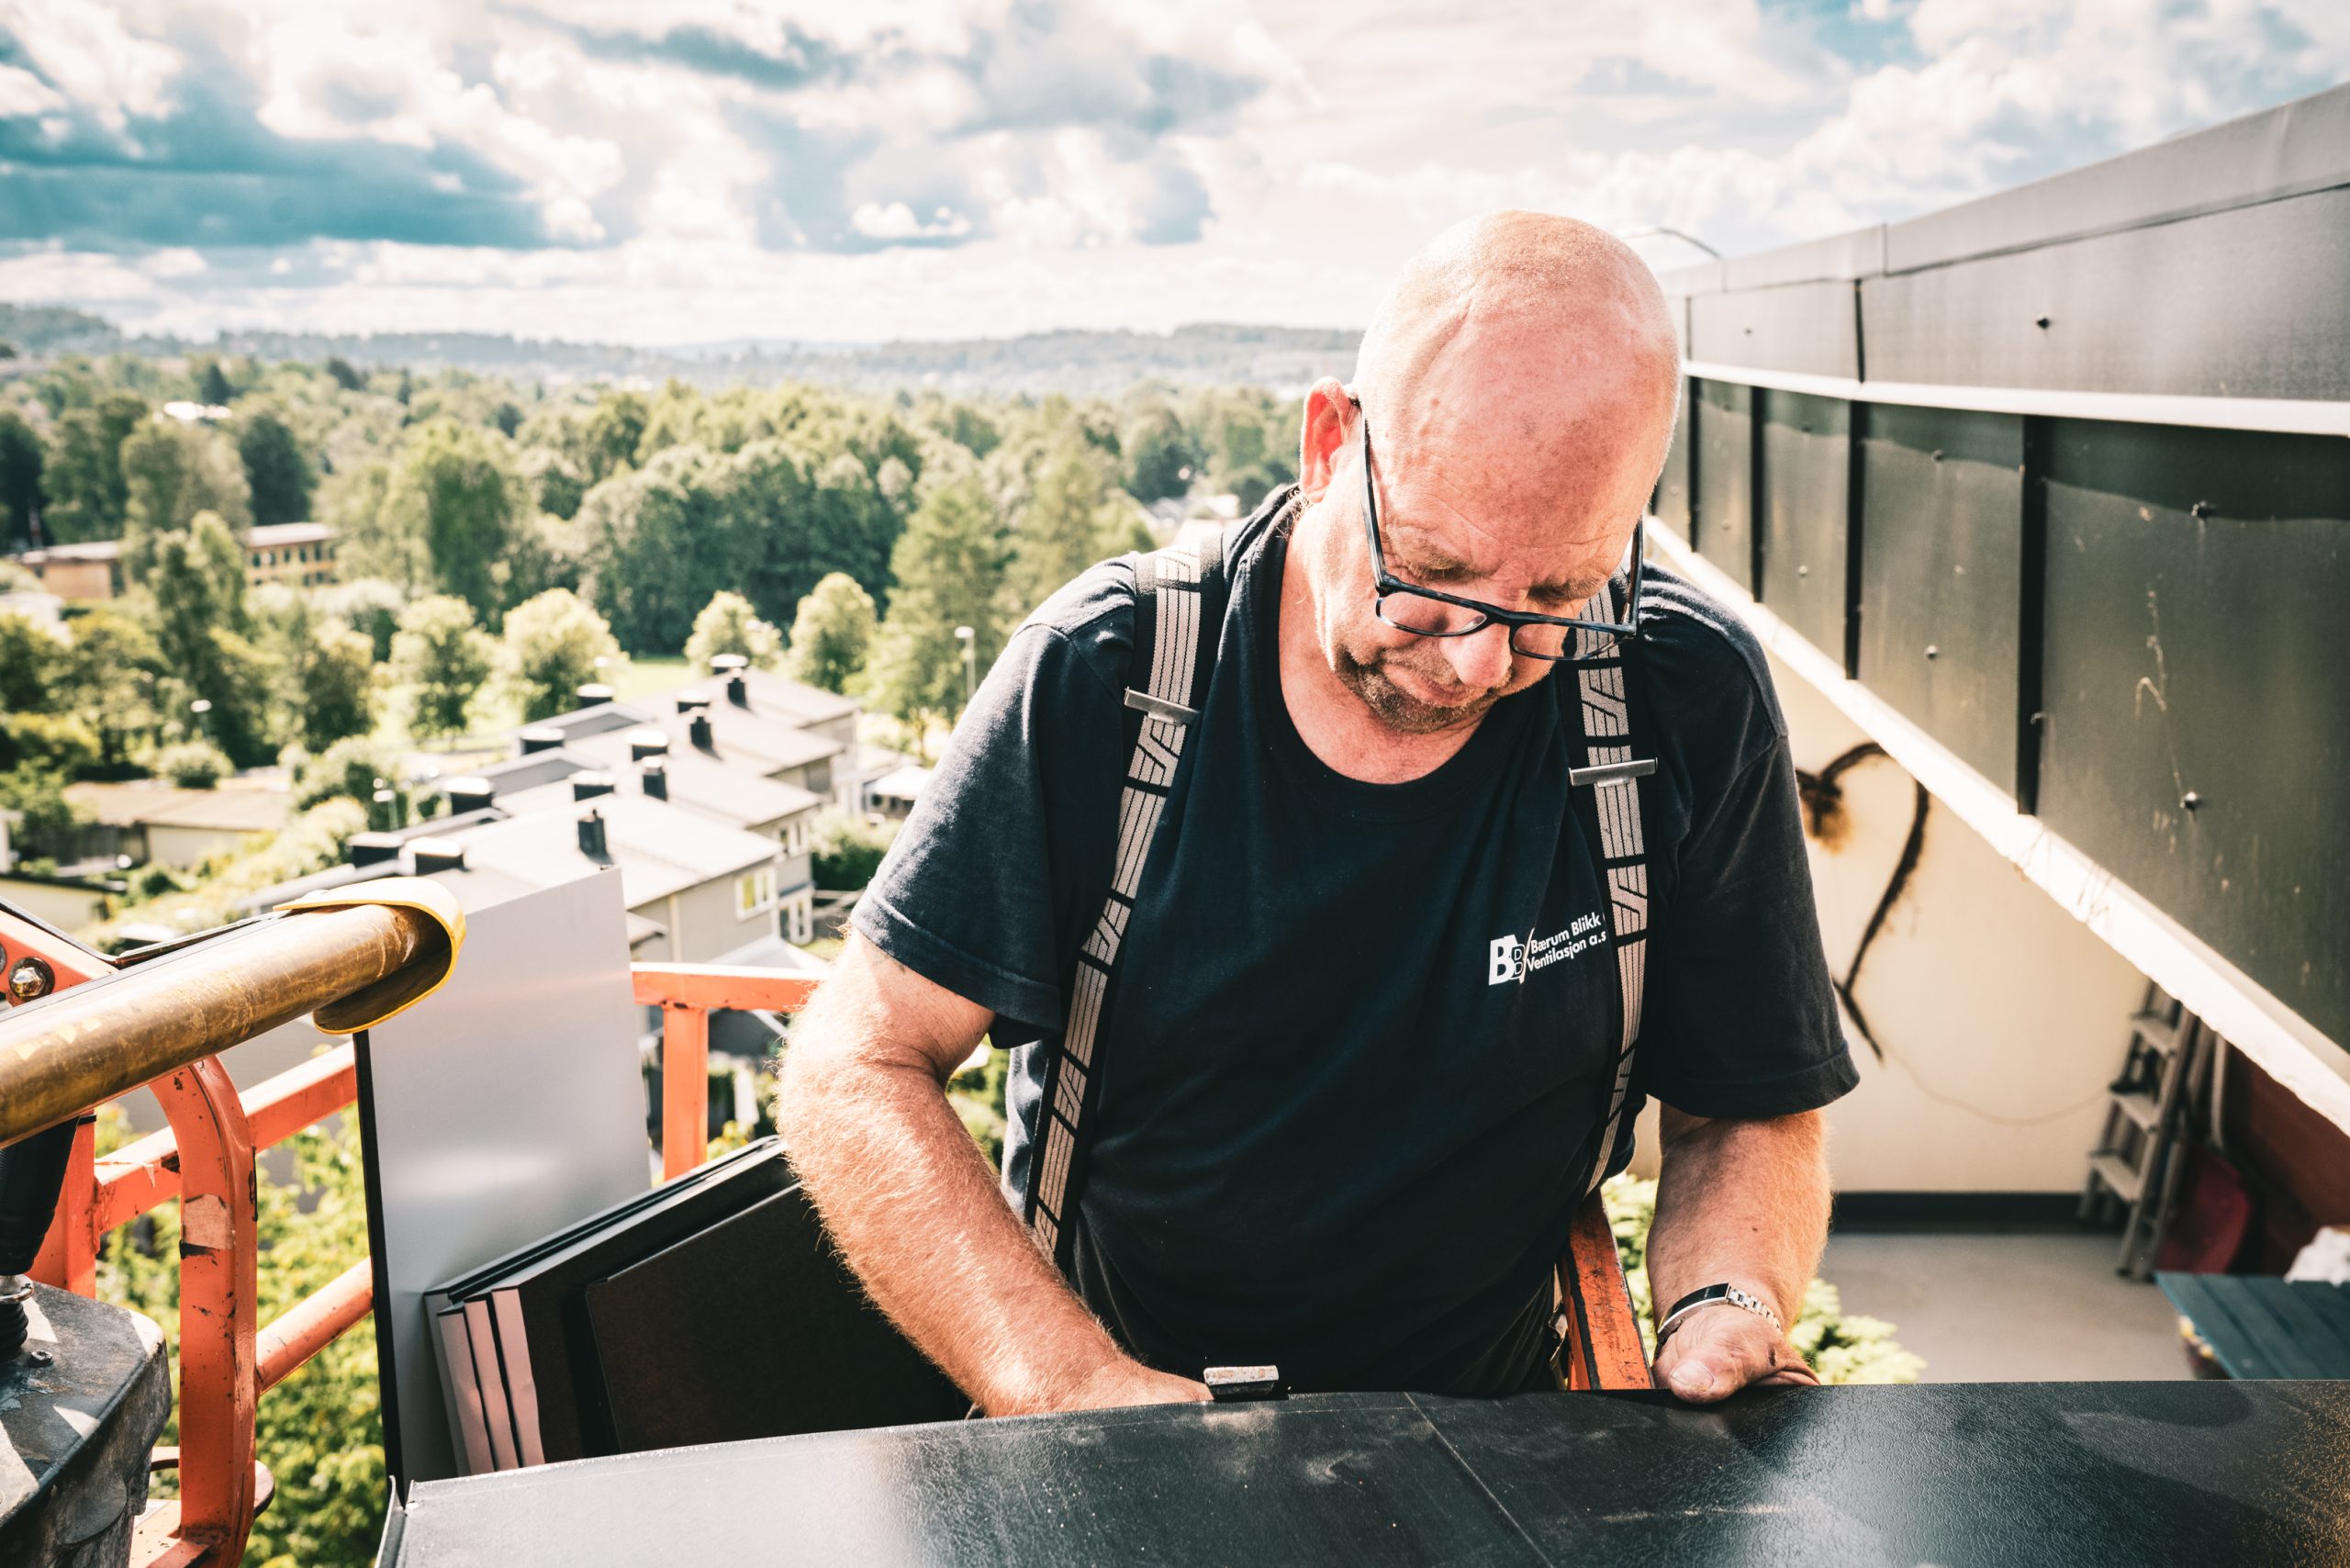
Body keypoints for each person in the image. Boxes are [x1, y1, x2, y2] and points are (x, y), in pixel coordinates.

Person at [780, 211, 1856, 1415]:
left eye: (1555, 593)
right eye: (1432, 577)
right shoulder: (1113, 677)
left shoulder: (1679, 695)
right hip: (1128, 1422)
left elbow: (1748, 1106)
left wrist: (1731, 1301)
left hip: (1494, 1442)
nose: (1476, 662)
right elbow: (857, 1060)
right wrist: (1066, 1381)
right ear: (1327, 443)